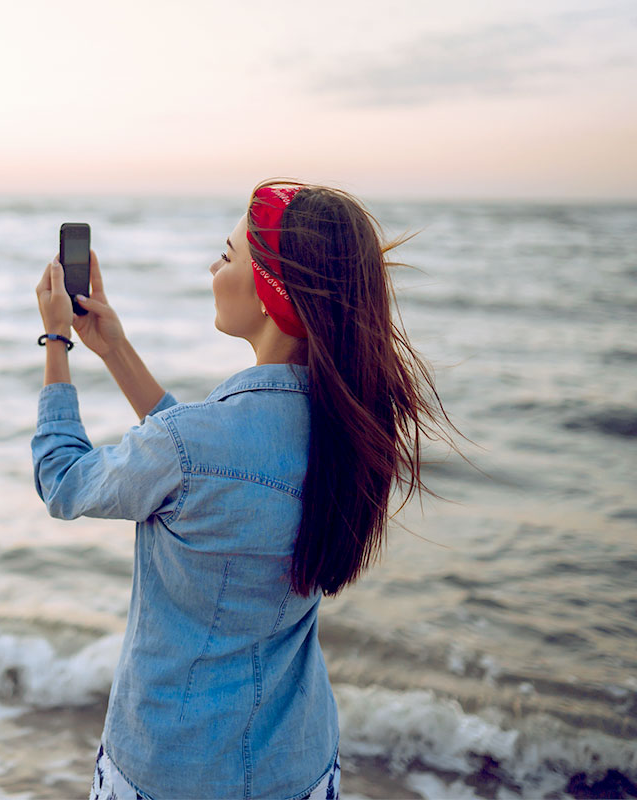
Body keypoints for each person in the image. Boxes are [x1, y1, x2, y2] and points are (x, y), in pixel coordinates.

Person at [32, 180, 454, 800]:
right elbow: (201, 466)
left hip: (171, 771)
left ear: (269, 292)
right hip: (299, 767)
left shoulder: (196, 446)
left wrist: (57, 342)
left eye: (227, 255)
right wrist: (115, 349)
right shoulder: (354, 436)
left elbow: (63, 481)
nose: (212, 266)